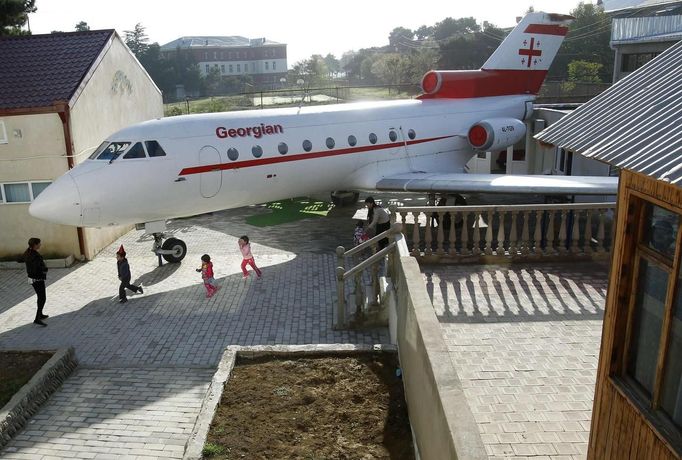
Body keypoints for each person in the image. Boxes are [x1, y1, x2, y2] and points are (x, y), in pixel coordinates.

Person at [24, 237, 49, 327]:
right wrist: (45, 270)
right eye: (39, 243)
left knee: (40, 296)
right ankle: (37, 318)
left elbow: (21, 259)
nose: (40, 245)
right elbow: (37, 267)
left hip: (31, 278)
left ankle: (40, 314)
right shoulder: (35, 255)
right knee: (42, 297)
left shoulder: (28, 252)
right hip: (37, 279)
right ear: (35, 245)